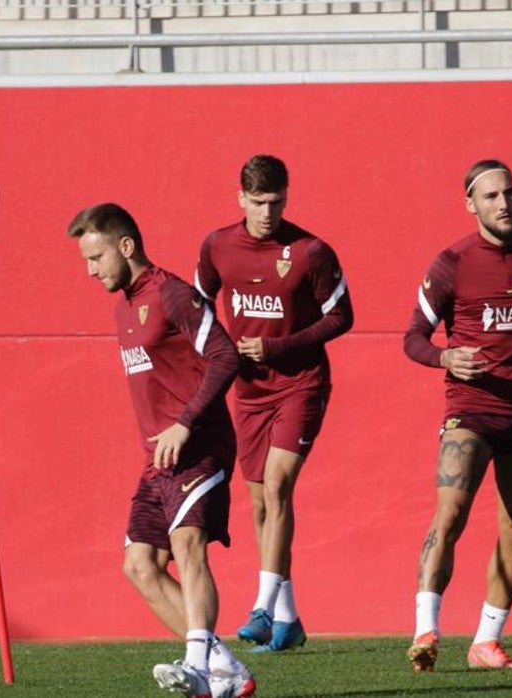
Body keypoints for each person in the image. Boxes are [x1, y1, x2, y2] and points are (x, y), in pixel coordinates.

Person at [67, 203, 256, 698]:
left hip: (199, 445)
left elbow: (225, 356)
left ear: (125, 246)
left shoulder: (172, 294)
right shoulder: (122, 308)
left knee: (188, 545)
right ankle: (226, 668)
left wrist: (184, 424)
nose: (91, 271)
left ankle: (197, 669)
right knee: (139, 566)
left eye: (96, 258)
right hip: (156, 462)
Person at [402, 160, 512, 671]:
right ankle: (425, 630)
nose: (505, 203)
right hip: (472, 411)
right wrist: (445, 357)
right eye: (492, 196)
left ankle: (486, 642)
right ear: (471, 205)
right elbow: (413, 338)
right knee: (450, 513)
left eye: (510, 193)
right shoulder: (451, 263)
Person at [194, 154, 354, 652]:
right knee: (261, 501)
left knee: (280, 485)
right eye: (259, 202)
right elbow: (198, 307)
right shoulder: (218, 246)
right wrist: (220, 353)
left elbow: (342, 317)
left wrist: (278, 347)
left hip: (301, 383)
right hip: (249, 392)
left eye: (277, 202)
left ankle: (262, 609)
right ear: (241, 198)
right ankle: (288, 618)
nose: (268, 212)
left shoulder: (310, 251)